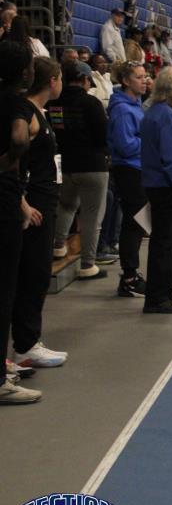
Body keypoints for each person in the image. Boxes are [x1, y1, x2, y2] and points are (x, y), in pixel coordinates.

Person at [10, 56, 67, 371]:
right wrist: (23, 203)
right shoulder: (28, 115)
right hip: (34, 206)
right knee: (33, 274)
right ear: (52, 81)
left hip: (46, 200)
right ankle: (25, 346)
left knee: (38, 272)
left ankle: (28, 341)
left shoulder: (40, 113)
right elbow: (14, 162)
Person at [0, 43, 43, 403]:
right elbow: (18, 136)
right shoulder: (15, 103)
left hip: (9, 199)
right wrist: (9, 162)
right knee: (5, 291)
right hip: (4, 201)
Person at [140, 68, 172, 314]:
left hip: (155, 183)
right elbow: (171, 157)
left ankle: (165, 291)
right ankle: (157, 297)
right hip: (164, 185)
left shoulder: (152, 113)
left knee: (166, 241)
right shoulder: (167, 116)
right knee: (164, 242)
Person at [49, 61, 110, 279]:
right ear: (85, 79)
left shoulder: (55, 103)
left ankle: (58, 246)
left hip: (64, 164)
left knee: (65, 206)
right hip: (92, 165)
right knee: (91, 216)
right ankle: (87, 264)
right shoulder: (91, 103)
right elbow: (103, 136)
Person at [107, 61, 149, 297]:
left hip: (139, 168)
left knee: (138, 224)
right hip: (129, 170)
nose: (144, 81)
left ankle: (131, 274)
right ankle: (129, 277)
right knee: (134, 223)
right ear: (125, 81)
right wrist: (150, 140)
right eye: (139, 77)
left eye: (145, 76)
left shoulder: (136, 105)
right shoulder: (123, 109)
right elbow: (125, 145)